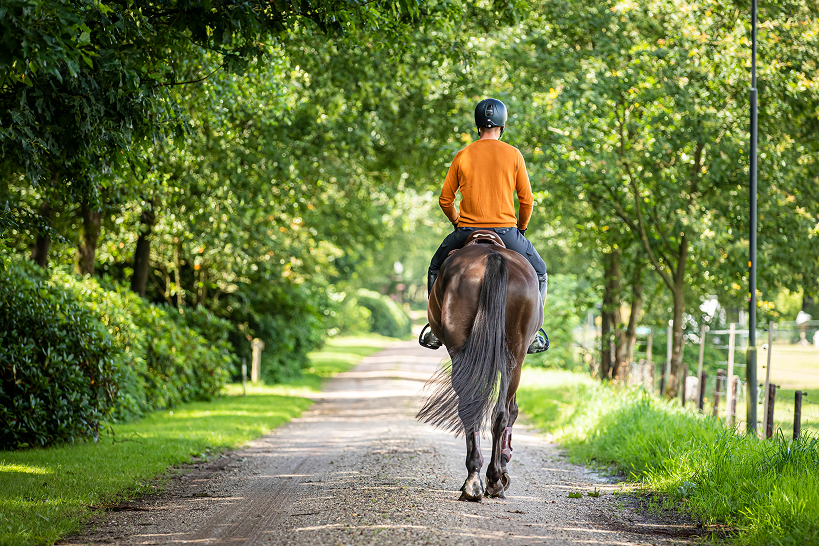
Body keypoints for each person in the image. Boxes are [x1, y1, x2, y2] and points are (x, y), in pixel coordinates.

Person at [420, 98, 548, 354]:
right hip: (507, 232)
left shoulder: (463, 155)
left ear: (478, 125)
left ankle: (435, 329)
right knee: (541, 271)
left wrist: (458, 222)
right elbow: (527, 199)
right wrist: (520, 228)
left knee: (436, 266)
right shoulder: (513, 155)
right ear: (502, 125)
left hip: (466, 230)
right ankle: (533, 332)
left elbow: (445, 199)